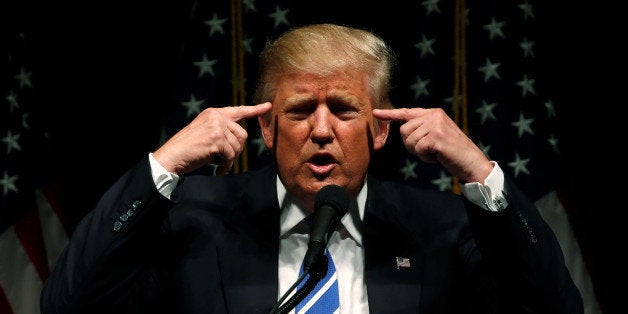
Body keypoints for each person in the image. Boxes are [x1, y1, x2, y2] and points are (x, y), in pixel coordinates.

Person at [40, 23, 583, 313]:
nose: (322, 129)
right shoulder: (195, 218)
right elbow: (68, 305)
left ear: (379, 130)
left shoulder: (441, 226)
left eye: (345, 109)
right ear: (268, 129)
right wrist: (163, 165)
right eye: (299, 110)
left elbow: (555, 309)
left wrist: (483, 175)